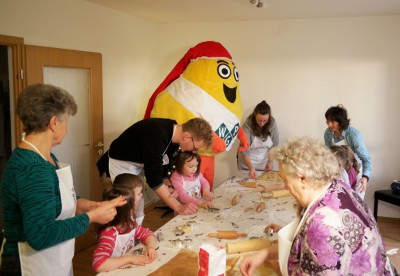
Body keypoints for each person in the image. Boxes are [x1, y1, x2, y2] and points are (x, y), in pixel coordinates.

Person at [0, 84, 126, 276]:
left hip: (53, 261)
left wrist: (91, 205)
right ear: (53, 123)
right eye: (66, 121)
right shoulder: (32, 168)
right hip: (28, 266)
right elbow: (41, 235)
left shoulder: (47, 157)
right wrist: (91, 217)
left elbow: (58, 199)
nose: (66, 128)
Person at [240, 136, 397, 276]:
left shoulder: (321, 228)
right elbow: (304, 244)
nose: (286, 187)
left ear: (302, 178)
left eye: (285, 179)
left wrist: (276, 265)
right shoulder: (337, 186)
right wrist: (266, 253)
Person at [97, 117, 213, 215]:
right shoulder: (157, 134)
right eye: (195, 148)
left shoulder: (173, 137)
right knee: (127, 208)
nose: (193, 151)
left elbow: (161, 169)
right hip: (121, 164)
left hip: (137, 164)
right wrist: (178, 207)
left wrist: (168, 185)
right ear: (187, 137)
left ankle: (135, 239)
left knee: (138, 206)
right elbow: (153, 179)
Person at [92, 173, 157, 272]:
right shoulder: (110, 233)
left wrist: (151, 247)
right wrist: (130, 258)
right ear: (128, 202)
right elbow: (98, 264)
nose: (141, 195)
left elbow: (147, 234)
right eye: (139, 193)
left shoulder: (129, 223)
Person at [324, 104, 371, 199]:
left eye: (333, 122)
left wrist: (365, 177)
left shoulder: (353, 135)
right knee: (340, 201)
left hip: (356, 171)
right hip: (339, 171)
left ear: (341, 122)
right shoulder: (328, 132)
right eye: (328, 121)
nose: (329, 124)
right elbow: (328, 154)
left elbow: (366, 158)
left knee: (357, 202)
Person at [237, 100, 279, 179]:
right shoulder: (247, 125)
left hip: (266, 162)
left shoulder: (272, 124)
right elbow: (244, 149)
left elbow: (275, 145)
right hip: (248, 164)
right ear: (255, 115)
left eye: (265, 121)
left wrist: (270, 162)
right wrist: (251, 167)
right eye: (259, 120)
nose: (262, 123)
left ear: (269, 118)